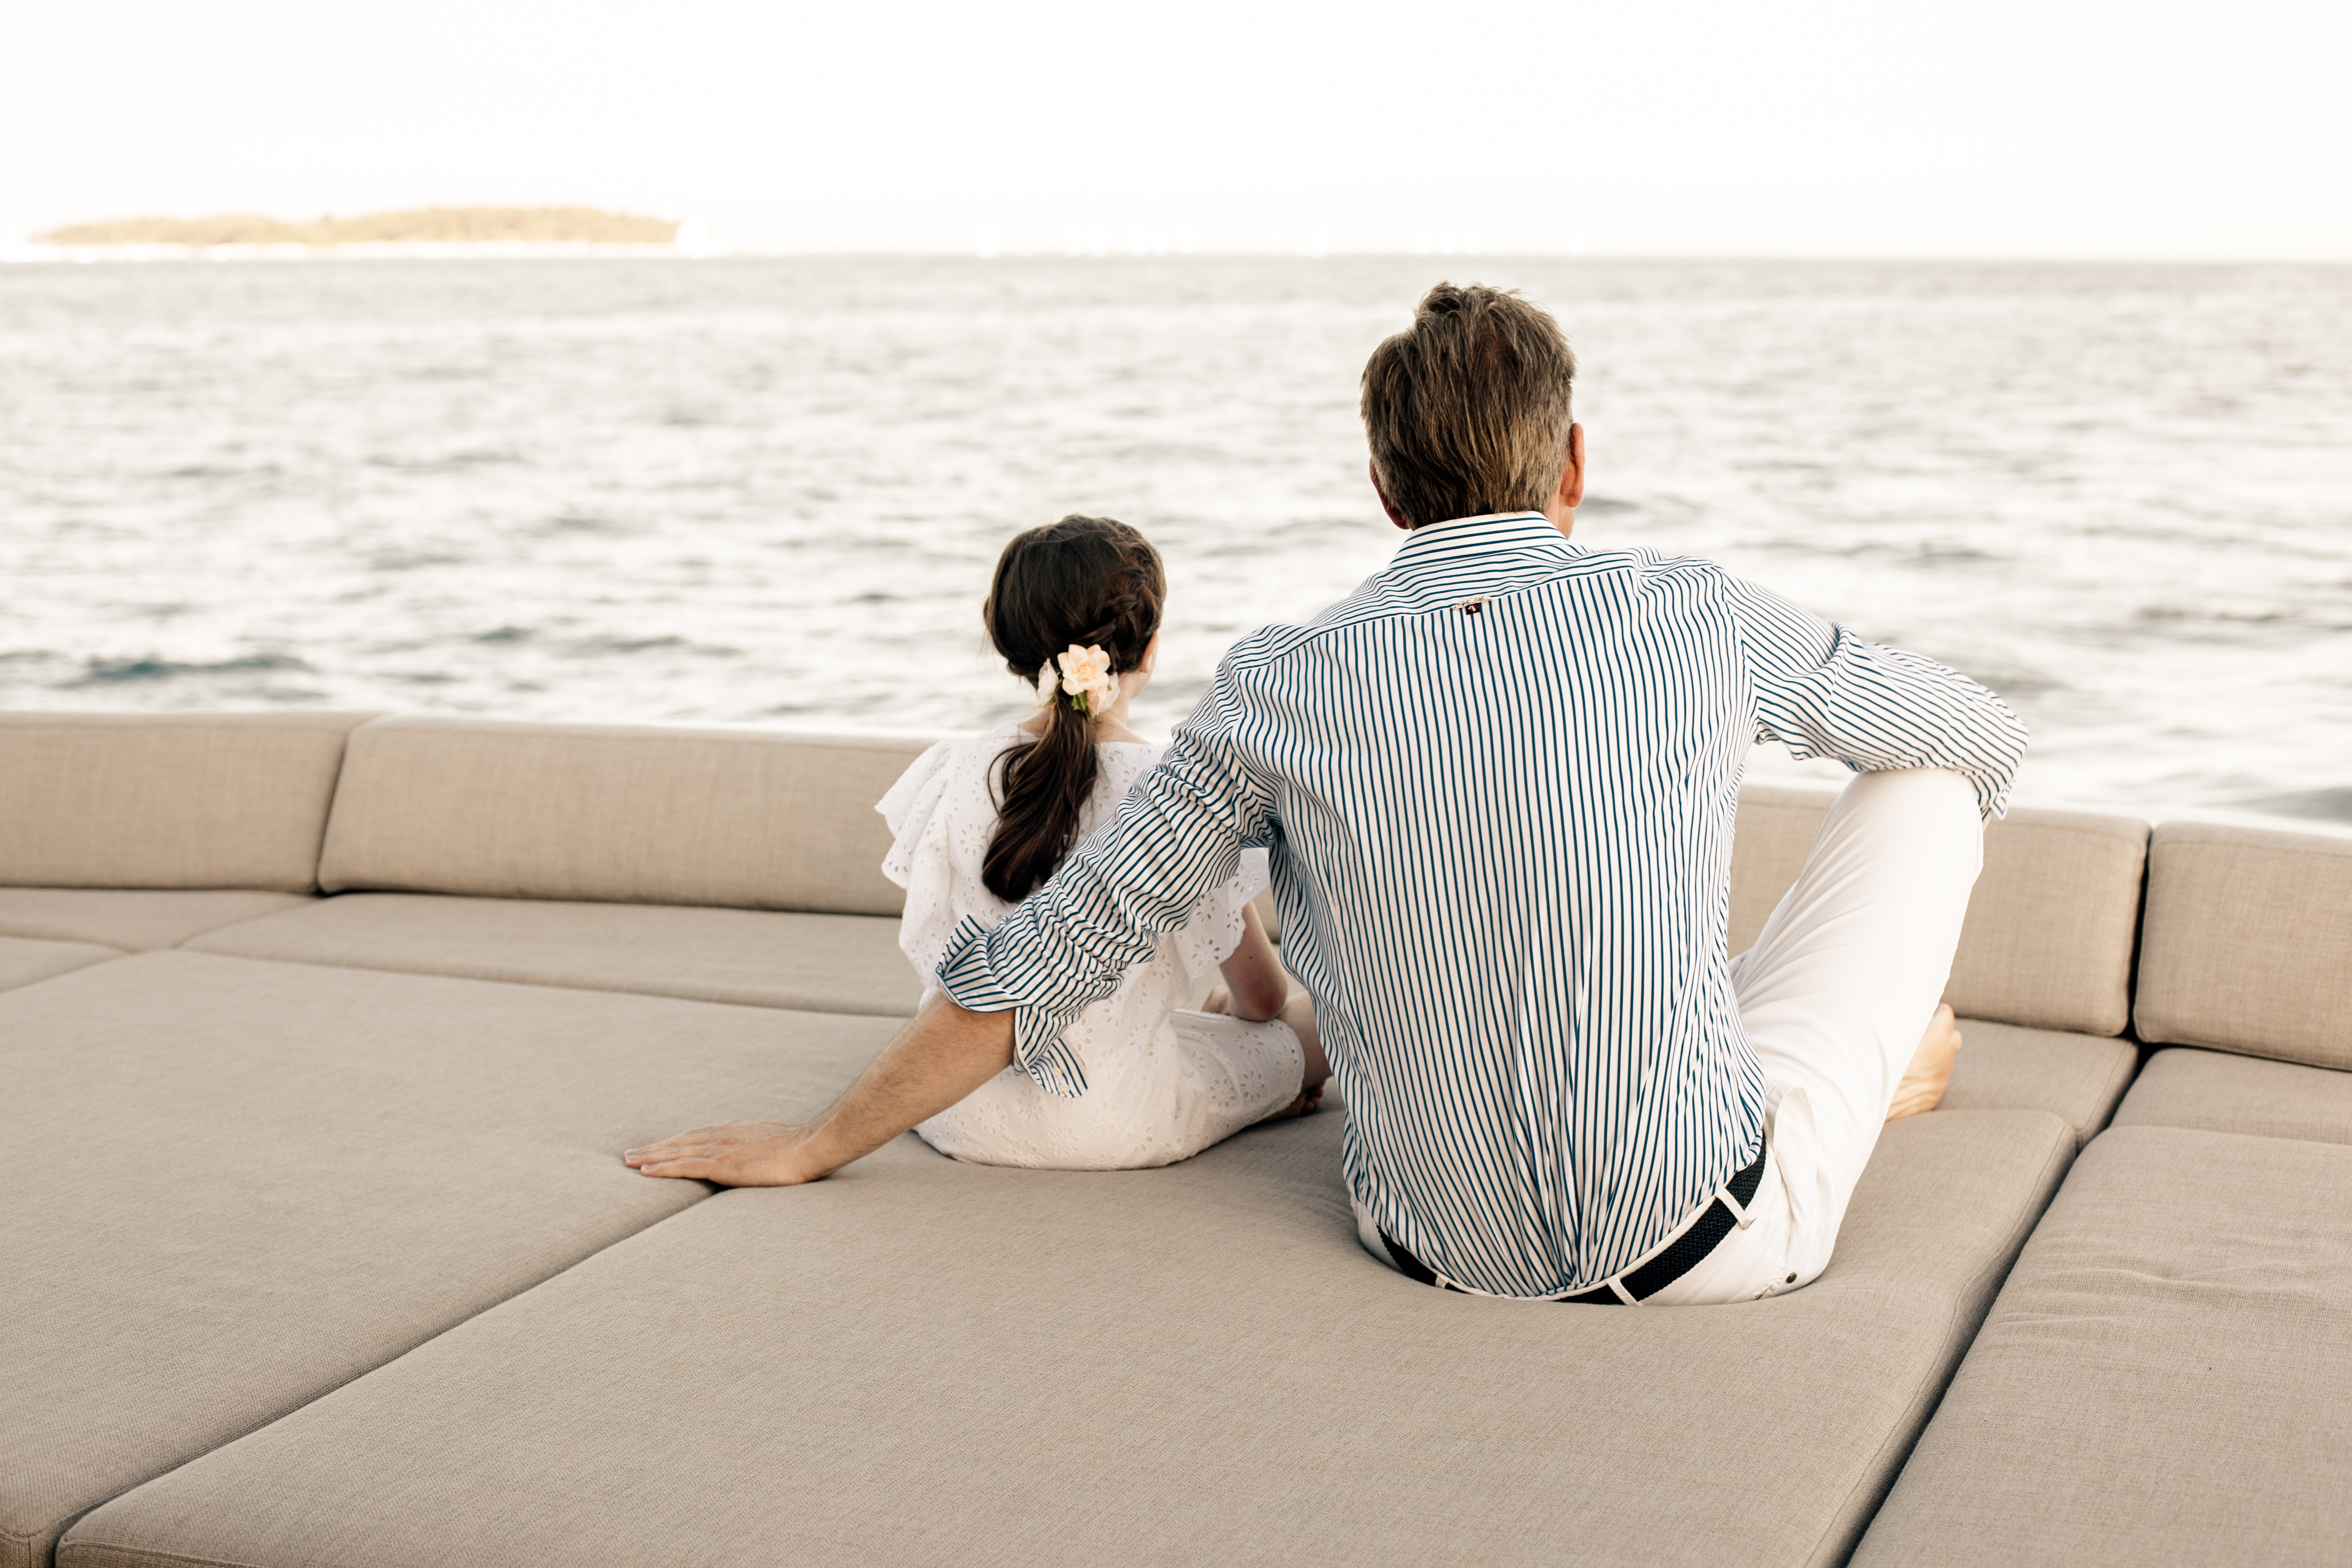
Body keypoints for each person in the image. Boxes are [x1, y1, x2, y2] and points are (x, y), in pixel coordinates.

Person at [628, 282, 2025, 1308]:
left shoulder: (1278, 686)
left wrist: (820, 1145)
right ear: (1575, 462)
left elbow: (1042, 959)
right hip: (1714, 1243)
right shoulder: (1695, 615)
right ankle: (1842, 1083)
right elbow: (1979, 738)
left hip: (1428, 1248)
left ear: (1380, 488)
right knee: (1932, 783)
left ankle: (1811, 1073)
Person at [874, 514, 1326, 1169]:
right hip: (1112, 1123)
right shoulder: (1174, 789)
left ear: (1011, 649)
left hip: (951, 1107)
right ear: (1150, 649)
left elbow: (940, 965)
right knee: (1314, 1021)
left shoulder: (956, 768)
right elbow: (1262, 1001)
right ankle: (1268, 1096)